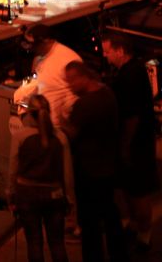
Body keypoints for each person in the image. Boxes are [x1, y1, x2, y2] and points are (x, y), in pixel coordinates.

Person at [64, 60, 130, 262]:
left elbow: (71, 134)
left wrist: (60, 121)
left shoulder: (84, 105)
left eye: (71, 81)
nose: (69, 86)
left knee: (89, 220)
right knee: (110, 213)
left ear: (83, 77)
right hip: (108, 165)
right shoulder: (107, 93)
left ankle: (94, 257)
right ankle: (119, 253)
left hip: (88, 170)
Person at [100, 32, 157, 251]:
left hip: (136, 144)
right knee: (132, 189)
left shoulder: (129, 76)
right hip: (138, 141)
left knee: (138, 191)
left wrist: (125, 145)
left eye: (107, 51)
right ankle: (136, 226)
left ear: (120, 51)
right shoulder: (133, 70)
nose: (105, 56)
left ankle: (144, 234)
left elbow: (132, 115)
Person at [12, 94, 70, 262]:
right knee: (57, 242)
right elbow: (67, 173)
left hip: (27, 194)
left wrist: (11, 194)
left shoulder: (20, 137)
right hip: (54, 194)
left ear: (29, 114)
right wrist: (69, 198)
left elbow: (13, 170)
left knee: (34, 242)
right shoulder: (60, 137)